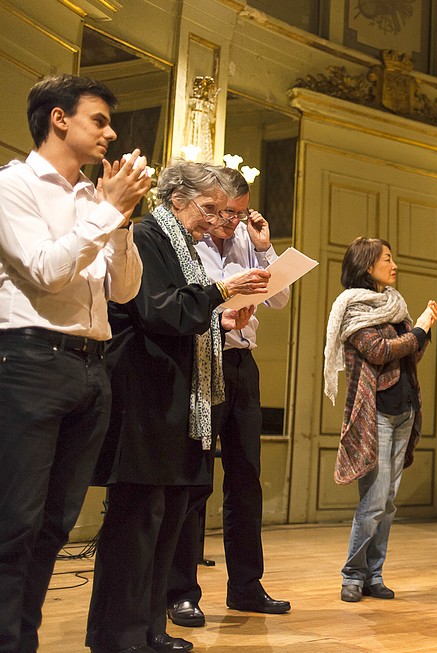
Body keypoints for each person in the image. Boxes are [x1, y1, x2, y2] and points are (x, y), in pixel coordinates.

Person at [85, 160, 270, 653]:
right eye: (208, 208)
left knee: (165, 518)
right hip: (145, 397)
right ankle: (117, 634)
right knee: (137, 522)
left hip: (176, 396)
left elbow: (183, 309)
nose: (213, 219)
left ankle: (148, 628)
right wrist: (223, 292)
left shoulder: (180, 245)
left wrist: (223, 323)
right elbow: (158, 310)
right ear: (177, 198)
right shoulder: (148, 235)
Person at [0, 73, 148, 653]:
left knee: (55, 527)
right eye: (99, 120)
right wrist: (106, 213)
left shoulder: (95, 199)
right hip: (29, 360)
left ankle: (23, 641)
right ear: (59, 118)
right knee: (14, 523)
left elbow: (126, 292)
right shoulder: (14, 186)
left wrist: (121, 220)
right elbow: (45, 270)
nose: (110, 133)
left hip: (92, 366)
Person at [166, 168, 291, 627]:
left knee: (246, 478)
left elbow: (279, 301)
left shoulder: (245, 240)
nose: (231, 223)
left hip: (242, 363)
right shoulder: (187, 238)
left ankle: (245, 586)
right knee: (195, 479)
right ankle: (181, 590)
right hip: (201, 361)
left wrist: (263, 246)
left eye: (239, 214)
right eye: (225, 214)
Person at [323, 237, 437, 603]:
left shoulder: (394, 305)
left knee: (388, 502)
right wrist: (418, 329)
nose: (394, 265)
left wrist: (425, 328)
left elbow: (408, 357)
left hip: (404, 411)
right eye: (387, 259)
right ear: (367, 264)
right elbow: (379, 351)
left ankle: (374, 574)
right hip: (375, 416)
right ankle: (352, 576)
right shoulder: (353, 308)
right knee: (373, 501)